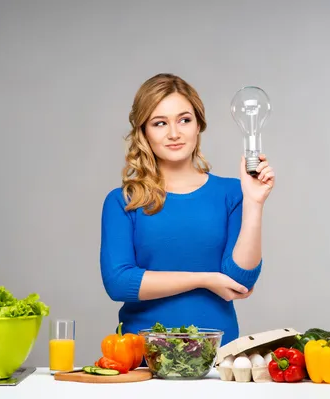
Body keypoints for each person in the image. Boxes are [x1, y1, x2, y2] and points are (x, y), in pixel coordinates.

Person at [99, 73, 275, 346]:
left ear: (198, 126)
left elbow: (239, 280)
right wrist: (204, 279)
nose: (174, 133)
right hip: (143, 358)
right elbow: (119, 282)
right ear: (144, 131)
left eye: (184, 120)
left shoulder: (232, 193)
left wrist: (254, 203)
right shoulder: (123, 201)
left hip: (216, 357)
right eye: (160, 123)